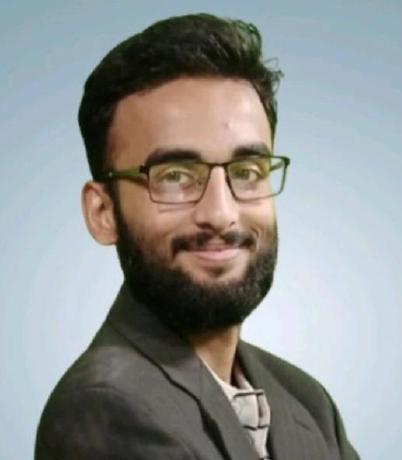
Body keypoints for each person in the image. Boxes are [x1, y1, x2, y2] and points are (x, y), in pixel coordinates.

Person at [35, 13, 360, 460]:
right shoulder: (105, 406)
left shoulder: (306, 401)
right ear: (103, 212)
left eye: (247, 171)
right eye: (174, 176)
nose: (221, 214)